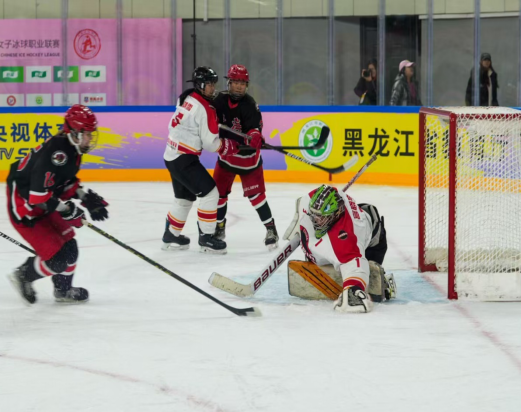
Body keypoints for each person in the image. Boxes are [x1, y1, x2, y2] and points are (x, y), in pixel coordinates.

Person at [7, 104, 109, 304]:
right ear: (73, 132)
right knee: (57, 260)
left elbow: (62, 181)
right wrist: (67, 209)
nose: (90, 138)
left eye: (91, 133)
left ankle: (63, 290)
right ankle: (23, 275)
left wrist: (84, 197)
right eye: (87, 134)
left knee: (70, 248)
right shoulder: (56, 155)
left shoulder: (71, 149)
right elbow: (37, 196)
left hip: (46, 201)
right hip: (26, 208)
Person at [162, 66, 256, 254]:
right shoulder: (205, 109)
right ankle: (206, 238)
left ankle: (171, 234)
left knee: (184, 197)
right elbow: (211, 144)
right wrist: (232, 146)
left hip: (171, 156)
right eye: (210, 84)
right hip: (184, 159)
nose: (213, 88)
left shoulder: (186, 97)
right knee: (211, 193)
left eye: (214, 84)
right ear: (200, 85)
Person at [284, 185, 396, 313]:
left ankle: (386, 283)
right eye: (315, 216)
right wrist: (299, 224)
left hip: (373, 241)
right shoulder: (313, 200)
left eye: (321, 218)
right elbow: (304, 201)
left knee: (369, 271)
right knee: (330, 253)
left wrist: (353, 288)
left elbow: (356, 265)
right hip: (361, 218)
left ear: (336, 214)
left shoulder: (347, 238)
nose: (316, 221)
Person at [212, 64, 279, 251]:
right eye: (236, 82)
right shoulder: (219, 100)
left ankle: (271, 229)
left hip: (247, 159)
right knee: (218, 195)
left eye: (242, 83)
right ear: (229, 83)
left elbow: (254, 128)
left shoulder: (250, 104)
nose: (239, 86)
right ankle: (219, 227)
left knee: (257, 197)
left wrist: (255, 136)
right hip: (226, 157)